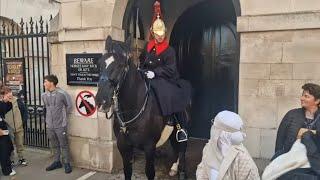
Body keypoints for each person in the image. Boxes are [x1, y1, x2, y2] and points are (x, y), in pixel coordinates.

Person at [139, 1, 192, 142]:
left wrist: (155, 73)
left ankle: (177, 125)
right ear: (152, 33)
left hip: (166, 78)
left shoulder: (169, 50)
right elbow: (142, 60)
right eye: (157, 34)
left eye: (162, 34)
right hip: (147, 76)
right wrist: (142, 70)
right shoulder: (148, 47)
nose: (160, 36)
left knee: (167, 91)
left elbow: (170, 68)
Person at [271, 83, 320, 179]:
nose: (302, 98)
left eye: (306, 96)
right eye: (302, 95)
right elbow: (280, 141)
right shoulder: (292, 114)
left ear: (317, 100)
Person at [196, 110, 260, 180]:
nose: (213, 130)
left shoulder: (242, 159)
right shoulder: (208, 148)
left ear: (224, 135)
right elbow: (202, 170)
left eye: (215, 128)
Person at [42, 75, 73, 174]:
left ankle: (67, 163)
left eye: (45, 81)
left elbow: (69, 106)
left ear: (51, 83)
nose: (44, 83)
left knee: (63, 144)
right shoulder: (44, 95)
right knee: (54, 144)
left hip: (60, 125)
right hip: (50, 125)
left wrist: (62, 117)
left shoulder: (62, 93)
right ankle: (57, 162)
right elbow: (45, 108)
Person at [5, 88, 28, 166]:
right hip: (8, 128)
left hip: (19, 127)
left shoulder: (17, 101)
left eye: (10, 92)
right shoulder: (3, 103)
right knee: (10, 145)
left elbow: (24, 112)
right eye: (7, 92)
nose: (9, 94)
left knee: (20, 144)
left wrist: (22, 122)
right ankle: (11, 160)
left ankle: (21, 158)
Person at [0, 85, 16, 176]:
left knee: (7, 148)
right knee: (4, 150)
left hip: (3, 128)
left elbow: (6, 109)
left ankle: (7, 168)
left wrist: (7, 100)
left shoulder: (3, 103)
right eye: (8, 93)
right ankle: (7, 170)